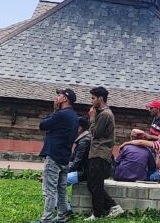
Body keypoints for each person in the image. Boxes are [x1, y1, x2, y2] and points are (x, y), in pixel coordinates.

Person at [38, 88, 79, 223]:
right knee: (61, 189)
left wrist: (55, 110)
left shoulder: (60, 114)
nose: (57, 97)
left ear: (65, 99)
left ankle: (46, 219)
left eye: (59, 95)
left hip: (54, 155)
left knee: (49, 189)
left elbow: (42, 125)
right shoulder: (73, 116)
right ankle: (61, 217)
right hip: (65, 156)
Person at [86, 86, 123, 219]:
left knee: (95, 185)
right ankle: (112, 207)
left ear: (100, 99)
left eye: (93, 98)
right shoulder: (102, 113)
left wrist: (92, 118)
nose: (91, 101)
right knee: (93, 184)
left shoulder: (105, 115)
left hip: (100, 153)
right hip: (97, 153)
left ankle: (97, 214)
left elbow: (95, 133)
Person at [66, 117, 92, 185]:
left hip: (82, 173)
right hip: (80, 171)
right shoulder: (83, 139)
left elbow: (77, 162)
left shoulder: (84, 141)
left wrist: (65, 171)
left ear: (79, 128)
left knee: (56, 180)